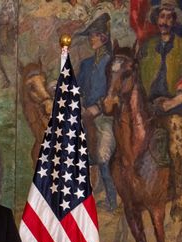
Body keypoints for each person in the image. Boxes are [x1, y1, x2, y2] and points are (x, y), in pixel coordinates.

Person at [137, 0, 182, 222]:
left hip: (174, 108)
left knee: (177, 144)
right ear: (156, 19)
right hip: (147, 108)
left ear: (174, 21)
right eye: (161, 17)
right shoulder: (146, 47)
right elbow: (136, 76)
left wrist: (175, 99)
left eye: (169, 17)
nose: (164, 21)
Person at [76, 13, 117, 212]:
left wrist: (98, 108)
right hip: (83, 114)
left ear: (104, 38)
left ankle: (112, 200)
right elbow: (79, 88)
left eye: (95, 35)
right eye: (90, 35)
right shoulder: (85, 64)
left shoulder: (112, 64)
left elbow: (114, 93)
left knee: (102, 154)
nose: (91, 39)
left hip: (104, 117)